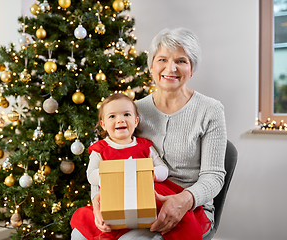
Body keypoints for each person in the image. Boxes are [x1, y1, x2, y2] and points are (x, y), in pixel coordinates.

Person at [80, 27, 227, 240]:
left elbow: (214, 176)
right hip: (134, 201)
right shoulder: (131, 111)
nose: (171, 68)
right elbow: (107, 159)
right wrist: (97, 201)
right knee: (81, 234)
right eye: (162, 60)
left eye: (181, 61)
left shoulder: (210, 110)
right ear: (151, 66)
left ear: (192, 68)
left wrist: (184, 200)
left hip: (191, 207)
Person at [70, 93, 213, 240]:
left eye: (126, 114)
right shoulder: (100, 149)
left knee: (163, 217)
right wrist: (108, 177)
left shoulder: (144, 146)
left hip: (146, 192)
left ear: (136, 120)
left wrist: (150, 174)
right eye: (112, 116)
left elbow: (163, 169)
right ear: (103, 124)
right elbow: (91, 174)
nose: (120, 120)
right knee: (83, 230)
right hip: (114, 195)